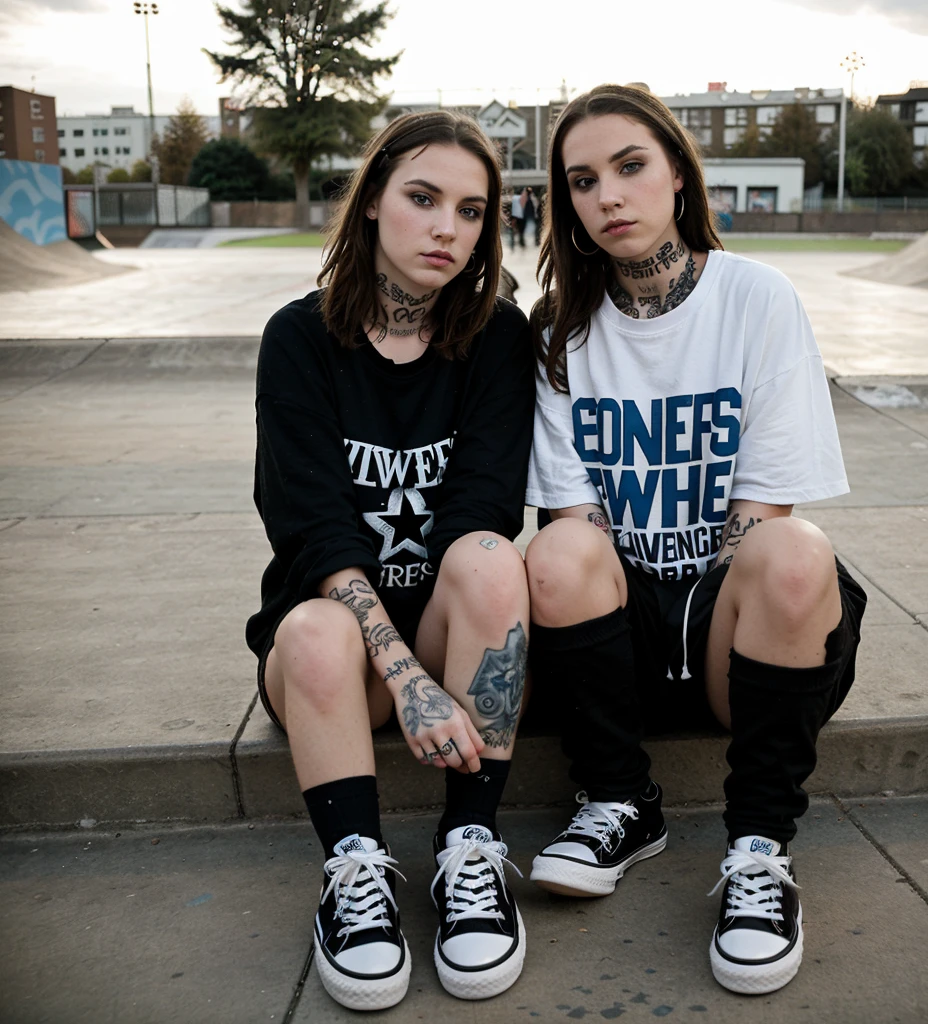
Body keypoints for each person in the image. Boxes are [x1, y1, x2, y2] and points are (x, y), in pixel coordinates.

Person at [523, 84, 866, 996]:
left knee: (799, 552)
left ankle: (758, 852)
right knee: (551, 554)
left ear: (677, 172)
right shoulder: (559, 327)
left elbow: (764, 520)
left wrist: (685, 642)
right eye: (584, 180)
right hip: (618, 643)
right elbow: (573, 525)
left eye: (631, 167)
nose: (609, 196)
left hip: (734, 637)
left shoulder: (756, 297)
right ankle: (621, 802)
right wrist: (648, 634)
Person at [245, 110, 535, 1011]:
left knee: (491, 557)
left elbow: (484, 506)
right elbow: (314, 530)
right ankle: (356, 876)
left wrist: (430, 663)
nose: (449, 227)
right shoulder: (298, 340)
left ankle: (469, 855)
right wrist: (403, 670)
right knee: (322, 627)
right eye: (422, 197)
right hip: (330, 662)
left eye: (473, 209)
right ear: (371, 201)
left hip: (448, 641)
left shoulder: (497, 337)